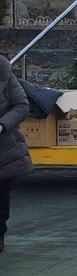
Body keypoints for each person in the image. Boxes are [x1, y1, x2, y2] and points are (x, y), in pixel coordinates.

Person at [0, 55, 32, 254]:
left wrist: (2, 125)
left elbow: (22, 106)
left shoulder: (2, 69)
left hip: (3, 149)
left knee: (1, 197)